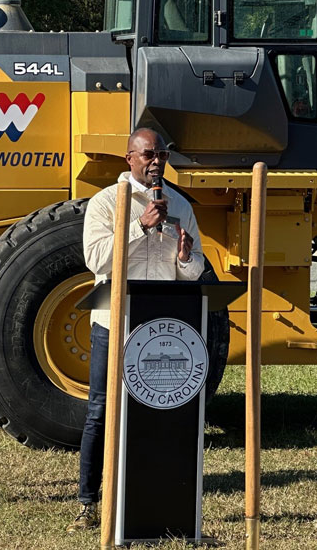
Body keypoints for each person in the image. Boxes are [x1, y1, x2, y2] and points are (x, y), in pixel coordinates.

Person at [67, 127, 204, 532]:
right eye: (148, 155)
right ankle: (89, 502)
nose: (156, 162)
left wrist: (184, 256)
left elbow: (194, 271)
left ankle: (154, 497)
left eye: (161, 154)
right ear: (129, 159)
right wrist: (139, 227)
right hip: (115, 323)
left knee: (158, 412)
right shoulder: (106, 203)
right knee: (100, 411)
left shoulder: (179, 203)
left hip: (160, 327)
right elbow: (96, 260)